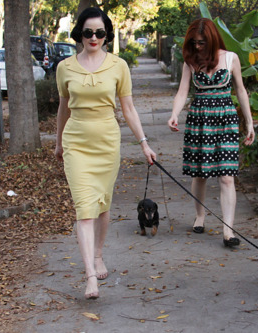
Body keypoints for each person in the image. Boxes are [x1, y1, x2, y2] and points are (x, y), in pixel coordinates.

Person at [54, 7, 156, 300]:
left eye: (99, 32)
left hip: (107, 142)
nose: (94, 37)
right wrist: (59, 143)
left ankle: (98, 254)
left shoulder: (118, 66)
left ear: (107, 34)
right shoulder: (65, 67)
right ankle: (89, 277)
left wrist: (144, 143)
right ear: (79, 34)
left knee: (102, 205)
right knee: (84, 209)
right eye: (88, 32)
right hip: (77, 143)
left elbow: (128, 108)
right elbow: (63, 108)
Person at [167, 18, 255, 248]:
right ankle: (200, 215)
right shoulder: (190, 62)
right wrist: (174, 113)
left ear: (212, 39)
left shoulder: (231, 58)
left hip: (226, 120)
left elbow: (241, 90)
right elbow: (182, 91)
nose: (198, 47)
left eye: (202, 42)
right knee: (201, 174)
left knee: (226, 176)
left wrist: (249, 123)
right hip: (200, 119)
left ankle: (228, 231)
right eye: (194, 42)